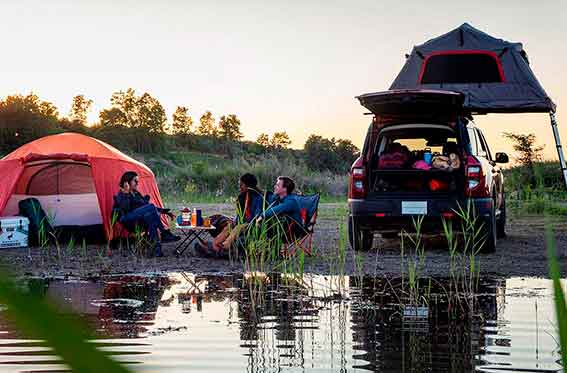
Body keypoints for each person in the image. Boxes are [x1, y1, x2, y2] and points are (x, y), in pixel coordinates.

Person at [195, 173, 270, 257]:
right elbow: (240, 215)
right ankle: (214, 244)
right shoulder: (242, 197)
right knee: (229, 226)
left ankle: (224, 246)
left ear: (248, 185)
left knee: (237, 228)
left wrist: (242, 223)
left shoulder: (259, 197)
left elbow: (257, 216)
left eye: (241, 185)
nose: (240, 187)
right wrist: (235, 221)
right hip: (243, 223)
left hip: (253, 224)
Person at [113, 171, 179, 257]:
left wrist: (164, 211)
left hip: (140, 220)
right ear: (127, 182)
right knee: (151, 208)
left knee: (150, 217)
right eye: (135, 181)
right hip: (128, 220)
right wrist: (126, 193)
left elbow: (147, 207)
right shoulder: (121, 194)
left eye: (138, 181)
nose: (137, 183)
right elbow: (125, 209)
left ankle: (157, 250)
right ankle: (164, 233)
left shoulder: (136, 194)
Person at [255, 176, 302, 240]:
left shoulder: (291, 202)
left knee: (269, 223)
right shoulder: (279, 198)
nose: (274, 186)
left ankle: (268, 245)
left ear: (285, 189)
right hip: (283, 227)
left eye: (277, 185)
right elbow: (269, 197)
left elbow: (275, 210)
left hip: (292, 231)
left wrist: (262, 216)